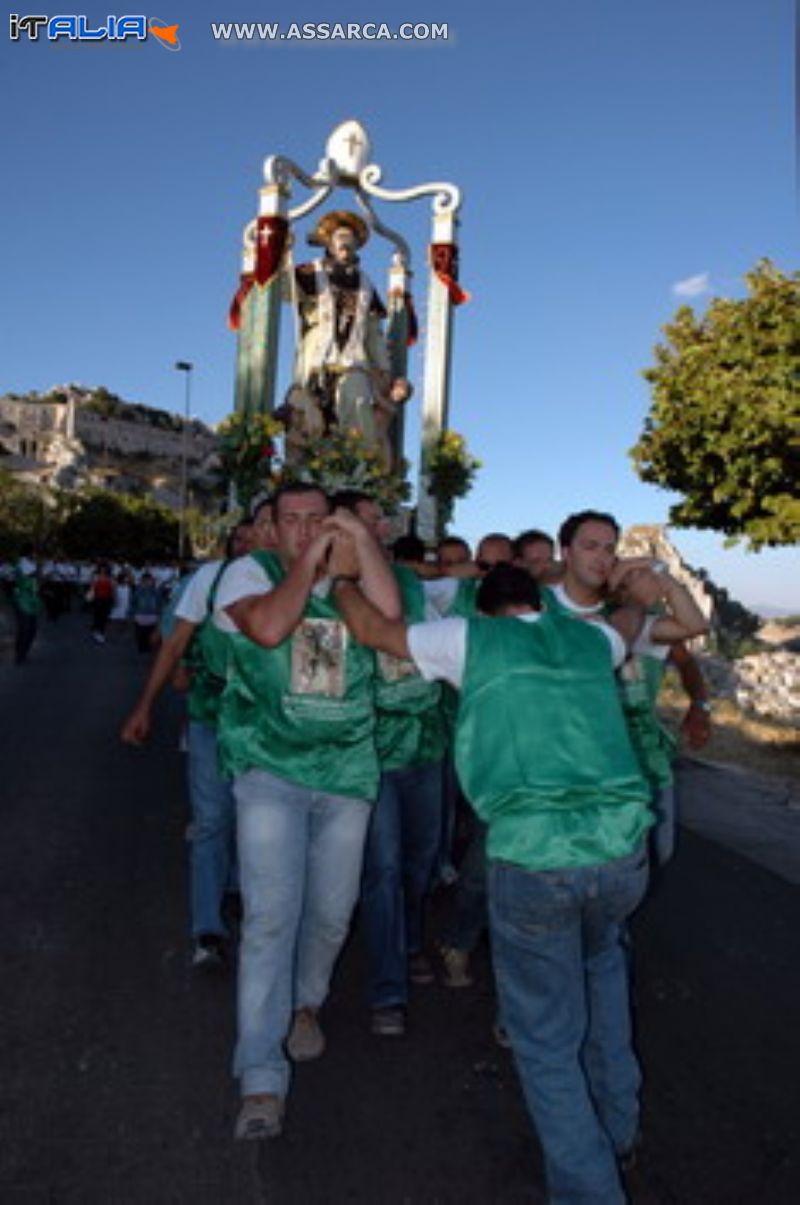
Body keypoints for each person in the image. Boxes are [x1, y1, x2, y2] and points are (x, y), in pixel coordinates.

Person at [332, 559, 708, 1205]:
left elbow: (370, 628)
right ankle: (619, 1130)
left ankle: (591, 1189)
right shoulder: (589, 638)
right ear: (540, 602)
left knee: (545, 1040)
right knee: (603, 973)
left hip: (534, 855)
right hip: (622, 849)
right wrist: (644, 593)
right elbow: (628, 617)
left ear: (485, 609)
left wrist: (338, 580)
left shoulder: (469, 638)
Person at [211, 484, 400, 1141]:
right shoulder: (248, 572)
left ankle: (306, 1002)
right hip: (270, 768)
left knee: (330, 908)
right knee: (271, 915)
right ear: (269, 529)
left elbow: (392, 614)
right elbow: (267, 627)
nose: (302, 529)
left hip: (348, 771)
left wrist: (356, 543)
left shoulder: (349, 580)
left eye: (317, 519)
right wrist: (311, 558)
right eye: (288, 520)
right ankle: (261, 1075)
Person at [121, 517, 265, 966]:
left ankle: (239, 886)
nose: (248, 541)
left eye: (257, 531)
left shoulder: (291, 581)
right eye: (240, 535)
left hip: (269, 727)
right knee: (211, 821)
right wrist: (145, 705)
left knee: (254, 818)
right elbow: (173, 642)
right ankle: (207, 927)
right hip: (211, 718)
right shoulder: (209, 578)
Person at [332, 491, 448, 1038]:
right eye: (371, 519)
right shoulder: (331, 583)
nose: (382, 526)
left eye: (381, 520)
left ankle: (408, 939)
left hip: (426, 743)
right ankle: (387, 988)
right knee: (382, 867)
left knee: (421, 859)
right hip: (369, 749)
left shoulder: (410, 581)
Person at [549, 510, 711, 867]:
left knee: (653, 855)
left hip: (642, 762)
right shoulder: (546, 610)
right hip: (568, 767)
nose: (602, 558)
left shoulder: (634, 619)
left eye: (610, 549)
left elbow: (694, 625)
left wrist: (662, 576)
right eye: (590, 546)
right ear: (567, 551)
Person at [282, 210, 411, 465]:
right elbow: (284, 291)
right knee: (308, 416)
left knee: (360, 404)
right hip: (317, 359)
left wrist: (384, 370)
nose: (346, 242)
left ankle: (357, 473)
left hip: (354, 360)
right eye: (340, 236)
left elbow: (373, 333)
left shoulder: (365, 283)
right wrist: (281, 254)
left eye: (351, 237)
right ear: (328, 242)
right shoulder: (310, 272)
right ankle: (308, 472)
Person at [12, 546, 41, 665]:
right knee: (24, 629)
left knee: (32, 629)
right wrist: (39, 570)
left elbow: (36, 580)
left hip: (31, 600)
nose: (36, 555)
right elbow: (33, 575)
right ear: (28, 553)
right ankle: (19, 656)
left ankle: (22, 653)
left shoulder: (31, 564)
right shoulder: (22, 563)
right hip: (22, 600)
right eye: (34, 553)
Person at [129, 571, 162, 654]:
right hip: (140, 617)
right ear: (142, 581)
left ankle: (148, 647)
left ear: (152, 581)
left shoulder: (156, 592)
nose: (147, 582)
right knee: (140, 634)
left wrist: (160, 614)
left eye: (149, 581)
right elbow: (133, 602)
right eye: (145, 581)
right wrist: (131, 614)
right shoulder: (138, 591)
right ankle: (142, 647)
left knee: (150, 633)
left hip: (152, 617)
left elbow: (160, 603)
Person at [87, 562, 116, 644]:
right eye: (102, 569)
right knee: (98, 615)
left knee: (104, 616)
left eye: (105, 569)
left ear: (108, 570)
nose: (103, 570)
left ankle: (99, 630)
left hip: (107, 599)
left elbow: (113, 589)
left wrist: (115, 598)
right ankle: (99, 632)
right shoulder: (96, 577)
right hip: (98, 599)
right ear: (99, 569)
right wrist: (91, 595)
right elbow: (92, 587)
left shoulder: (111, 578)